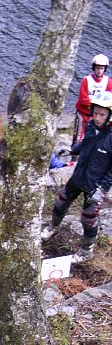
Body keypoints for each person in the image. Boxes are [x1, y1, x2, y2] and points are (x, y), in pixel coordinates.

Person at [41, 91, 112, 263]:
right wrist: (71, 150)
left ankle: (86, 251)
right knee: (61, 202)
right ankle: (53, 227)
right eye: (95, 113)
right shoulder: (91, 126)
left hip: (95, 185)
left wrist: (102, 189)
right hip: (79, 176)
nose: (97, 117)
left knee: (88, 218)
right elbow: (85, 144)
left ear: (110, 115)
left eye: (102, 114)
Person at [73, 54, 112, 145]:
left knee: (93, 138)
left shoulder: (108, 82)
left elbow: (109, 99)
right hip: (83, 113)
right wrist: (98, 104)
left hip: (97, 115)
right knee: (78, 137)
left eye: (102, 69)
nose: (99, 71)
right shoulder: (86, 80)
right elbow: (83, 100)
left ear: (105, 69)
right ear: (94, 68)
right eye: (98, 68)